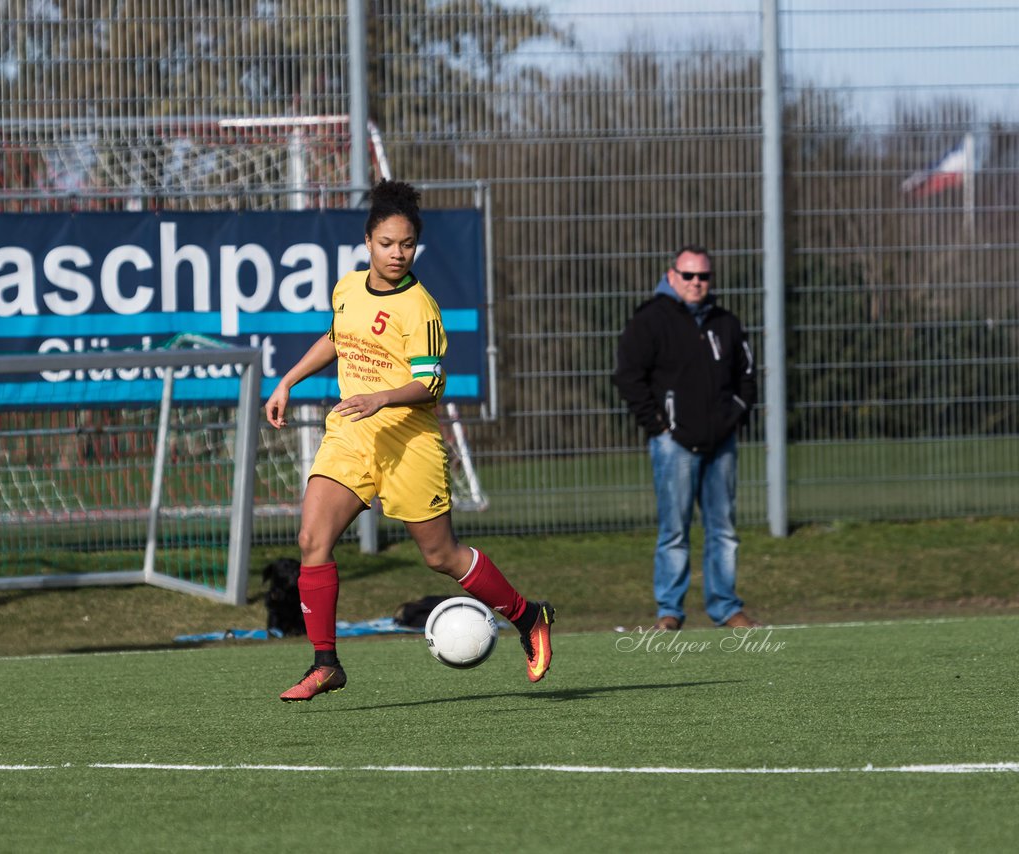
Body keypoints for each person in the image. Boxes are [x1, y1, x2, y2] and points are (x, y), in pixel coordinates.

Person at [264, 180, 554, 702]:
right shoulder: (349, 288)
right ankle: (325, 662)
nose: (398, 253)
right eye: (387, 243)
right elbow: (336, 337)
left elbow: (431, 383)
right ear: (368, 241)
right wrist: (287, 381)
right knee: (312, 541)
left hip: (408, 441)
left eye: (407, 244)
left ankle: (529, 616)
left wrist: (381, 398)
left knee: (441, 556)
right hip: (352, 436)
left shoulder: (420, 307)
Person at [612, 245, 760, 632]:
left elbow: (747, 374)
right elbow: (628, 376)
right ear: (672, 275)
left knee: (723, 529)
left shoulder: (725, 322)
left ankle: (727, 608)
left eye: (704, 276)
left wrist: (734, 415)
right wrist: (659, 425)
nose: (697, 283)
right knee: (674, 531)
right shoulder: (650, 320)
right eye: (689, 275)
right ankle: (670, 610)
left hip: (721, 443)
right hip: (673, 445)